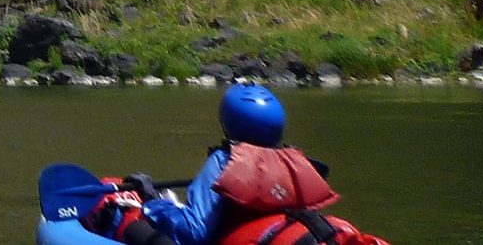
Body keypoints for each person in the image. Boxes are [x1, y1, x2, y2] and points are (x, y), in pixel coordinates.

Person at [86, 85, 390, 245]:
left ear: (226, 123)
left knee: (131, 219)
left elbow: (193, 232)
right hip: (310, 231)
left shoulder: (225, 161)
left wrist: (150, 202)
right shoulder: (299, 163)